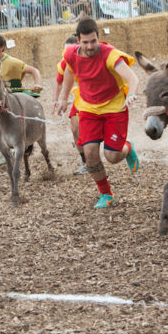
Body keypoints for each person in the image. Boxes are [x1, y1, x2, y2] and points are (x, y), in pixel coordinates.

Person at [57, 18, 140, 209]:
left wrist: (132, 93)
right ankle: (106, 194)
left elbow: (132, 77)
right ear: (78, 40)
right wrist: (63, 99)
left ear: (98, 38)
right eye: (85, 42)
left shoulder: (109, 55)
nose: (90, 46)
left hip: (114, 108)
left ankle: (127, 147)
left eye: (93, 41)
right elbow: (69, 73)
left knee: (112, 156)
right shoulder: (70, 54)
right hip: (88, 108)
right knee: (90, 153)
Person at [54, 35, 88, 175]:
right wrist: (56, 100)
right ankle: (86, 162)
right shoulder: (64, 62)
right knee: (75, 130)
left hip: (96, 97)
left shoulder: (90, 57)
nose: (67, 55)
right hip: (80, 97)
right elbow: (59, 81)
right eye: (65, 52)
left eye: (70, 51)